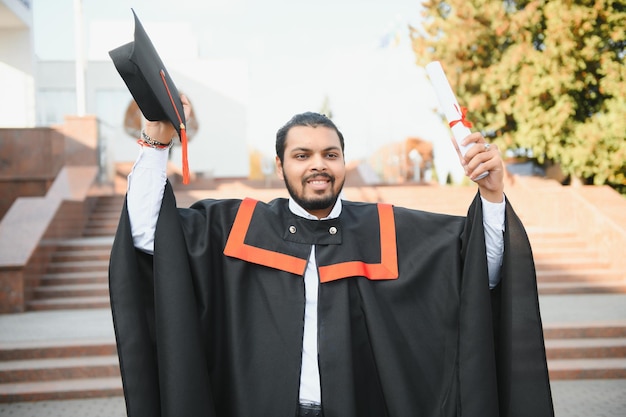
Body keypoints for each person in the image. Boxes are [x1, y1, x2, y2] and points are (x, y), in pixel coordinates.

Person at [109, 96, 554, 417]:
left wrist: (492, 195)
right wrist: (154, 144)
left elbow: (482, 273)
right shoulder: (235, 227)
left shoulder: (390, 230)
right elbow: (150, 236)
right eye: (301, 155)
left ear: (343, 162)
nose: (317, 165)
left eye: (330, 154)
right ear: (280, 166)